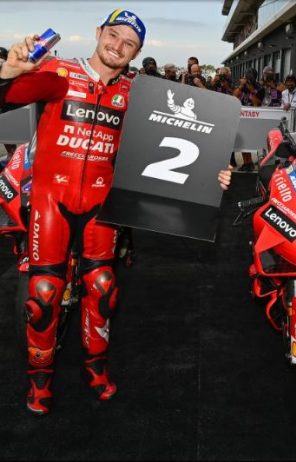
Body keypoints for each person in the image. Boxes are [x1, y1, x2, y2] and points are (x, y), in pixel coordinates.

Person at [0, 8, 233, 415]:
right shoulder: (59, 73)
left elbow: (174, 147)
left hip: (102, 206)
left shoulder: (138, 95)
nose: (118, 46)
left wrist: (213, 173)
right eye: (113, 35)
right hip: (51, 202)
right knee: (43, 294)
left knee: (103, 287)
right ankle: (40, 379)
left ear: (136, 53)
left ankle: (96, 368)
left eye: (130, 43)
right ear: (98, 33)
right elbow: (6, 98)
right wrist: (7, 72)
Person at [233, 68, 265, 172]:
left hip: (255, 117)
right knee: (243, 141)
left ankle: (255, 162)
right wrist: (241, 86)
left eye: (249, 76)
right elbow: (234, 96)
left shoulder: (260, 88)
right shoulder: (243, 86)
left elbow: (257, 103)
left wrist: (252, 90)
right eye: (246, 76)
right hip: (242, 116)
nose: (247, 78)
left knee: (251, 141)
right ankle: (247, 163)